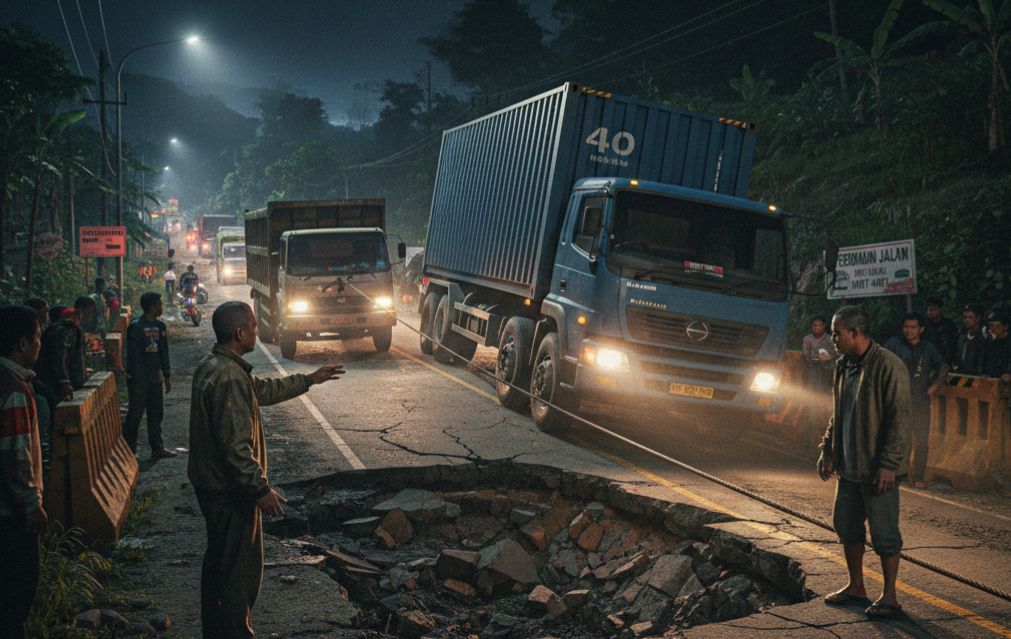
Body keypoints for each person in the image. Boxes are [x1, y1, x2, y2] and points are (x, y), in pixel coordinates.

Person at [188, 301, 345, 638]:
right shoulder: (229, 377)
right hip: (229, 493)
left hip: (214, 488)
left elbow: (263, 391)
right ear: (239, 332)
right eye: (254, 326)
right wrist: (260, 490)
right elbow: (236, 448)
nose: (257, 332)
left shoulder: (216, 366)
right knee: (238, 574)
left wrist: (309, 380)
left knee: (220, 566)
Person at [817, 305, 911, 618]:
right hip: (849, 466)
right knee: (846, 525)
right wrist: (828, 450)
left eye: (836, 333)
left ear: (855, 332)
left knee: (884, 534)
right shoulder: (843, 365)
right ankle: (856, 586)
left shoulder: (888, 365)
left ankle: (890, 596)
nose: (832, 339)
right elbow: (838, 411)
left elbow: (900, 419)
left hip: (877, 469)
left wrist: (889, 464)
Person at [0, 304, 48, 638]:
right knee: (18, 592)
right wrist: (31, 505)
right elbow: (16, 455)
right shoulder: (13, 391)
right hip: (11, 514)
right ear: (22, 343)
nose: (40, 343)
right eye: (37, 337)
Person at [885, 313, 948, 486]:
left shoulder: (928, 348)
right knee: (899, 437)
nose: (909, 331)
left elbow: (943, 366)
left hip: (920, 399)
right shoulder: (894, 344)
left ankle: (918, 476)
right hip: (898, 398)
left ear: (921, 329)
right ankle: (900, 473)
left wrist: (935, 385)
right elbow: (881, 362)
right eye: (906, 327)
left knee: (921, 439)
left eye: (913, 327)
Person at [123, 293, 174, 458]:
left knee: (156, 414)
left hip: (155, 378)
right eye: (159, 304)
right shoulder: (136, 327)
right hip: (139, 379)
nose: (161, 307)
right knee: (135, 415)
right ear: (152, 307)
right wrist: (134, 377)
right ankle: (129, 451)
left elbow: (164, 352)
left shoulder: (160, 326)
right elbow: (133, 356)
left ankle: (157, 448)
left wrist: (166, 375)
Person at [36, 297, 93, 401]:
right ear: (82, 311)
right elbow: (59, 358)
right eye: (90, 312)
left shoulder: (75, 330)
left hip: (70, 383)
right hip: (58, 386)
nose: (91, 317)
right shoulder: (65, 330)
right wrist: (64, 382)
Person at [802, 315, 835, 391]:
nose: (817, 327)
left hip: (827, 369)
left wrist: (828, 358)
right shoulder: (807, 339)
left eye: (820, 325)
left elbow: (835, 354)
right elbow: (806, 355)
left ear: (824, 326)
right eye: (814, 325)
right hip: (811, 368)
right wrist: (817, 358)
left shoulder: (830, 339)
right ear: (811, 326)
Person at [923, 297, 958, 366]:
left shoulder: (948, 324)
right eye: (930, 310)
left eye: (935, 309)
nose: (932, 312)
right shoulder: (923, 325)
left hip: (945, 361)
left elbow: (953, 345)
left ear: (940, 310)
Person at [954, 304, 986, 375]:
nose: (967, 320)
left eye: (970, 317)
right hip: (962, 374)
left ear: (978, 318)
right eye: (965, 317)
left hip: (978, 375)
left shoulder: (984, 337)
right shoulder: (961, 336)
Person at [982, 309, 1011, 382]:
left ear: (1005, 327)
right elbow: (987, 361)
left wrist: (1009, 373)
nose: (992, 329)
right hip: (993, 381)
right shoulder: (991, 343)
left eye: (996, 326)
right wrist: (986, 373)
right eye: (990, 326)